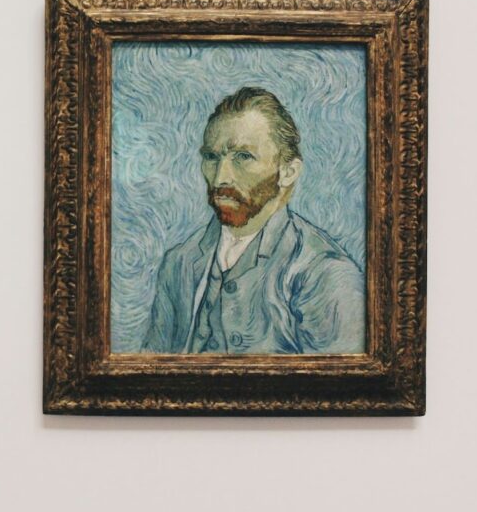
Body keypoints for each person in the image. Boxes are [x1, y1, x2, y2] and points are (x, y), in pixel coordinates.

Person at [141, 86, 365, 354]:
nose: (221, 177)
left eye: (243, 157)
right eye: (212, 157)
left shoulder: (325, 273)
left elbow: (345, 391)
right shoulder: (178, 264)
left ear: (288, 172)